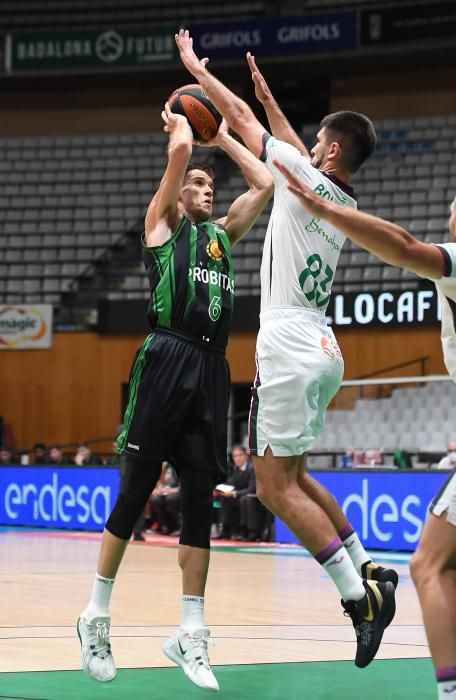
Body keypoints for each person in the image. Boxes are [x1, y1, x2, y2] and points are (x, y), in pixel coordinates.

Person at [176, 28, 397, 669]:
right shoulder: (337, 193)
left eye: (314, 140)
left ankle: (358, 601)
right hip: (325, 345)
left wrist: (198, 69)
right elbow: (293, 146)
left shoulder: (304, 174)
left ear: (327, 149)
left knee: (273, 489)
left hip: (288, 342)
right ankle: (368, 566)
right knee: (297, 475)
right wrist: (274, 108)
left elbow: (239, 119)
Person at [77, 103, 273, 691]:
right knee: (136, 492)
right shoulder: (162, 225)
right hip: (165, 357)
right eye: (197, 183)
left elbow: (263, 182)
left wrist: (227, 136)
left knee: (196, 506)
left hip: (212, 369)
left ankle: (191, 633)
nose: (205, 187)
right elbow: (181, 157)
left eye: (211, 184)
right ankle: (95, 614)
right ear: (176, 191)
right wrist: (184, 133)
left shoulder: (219, 239)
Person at [270, 172, 456, 700]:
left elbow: (403, 248)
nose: (450, 213)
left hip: (296, 336)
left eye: (455, 208)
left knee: (429, 565)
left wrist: (326, 211)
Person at [216, 445, 252, 540]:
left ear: (246, 456)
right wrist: (219, 489)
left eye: (240, 455)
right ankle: (225, 530)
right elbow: (231, 483)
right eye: (235, 456)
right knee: (221, 498)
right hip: (238, 496)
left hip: (249, 497)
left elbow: (251, 489)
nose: (237, 458)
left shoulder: (252, 468)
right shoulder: (235, 469)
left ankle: (242, 531)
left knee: (243, 500)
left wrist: (234, 493)